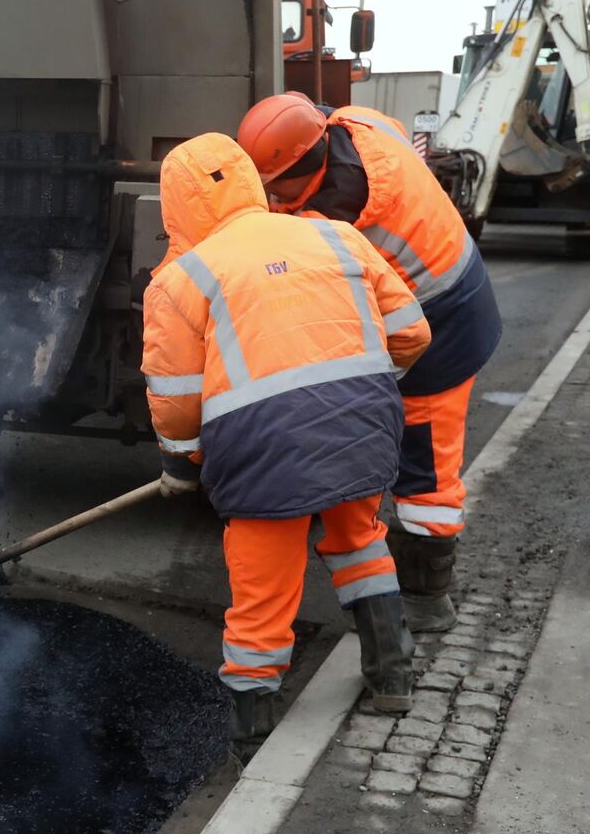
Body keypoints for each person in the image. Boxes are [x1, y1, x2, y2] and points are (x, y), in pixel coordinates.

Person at [141, 133, 432, 762]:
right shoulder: (334, 234)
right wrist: (357, 387)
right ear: (250, 179)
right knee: (360, 543)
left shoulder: (180, 281)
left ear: (175, 208)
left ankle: (252, 737)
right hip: (363, 429)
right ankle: (393, 679)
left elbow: (177, 399)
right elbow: (411, 331)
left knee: (262, 597)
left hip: (261, 451)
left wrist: (182, 464)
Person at [237, 93, 503, 632]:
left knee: (426, 463)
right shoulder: (357, 123)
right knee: (382, 430)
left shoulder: (339, 215)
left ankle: (428, 599)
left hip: (444, 317)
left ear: (304, 167)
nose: (268, 195)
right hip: (443, 282)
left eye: (274, 184)